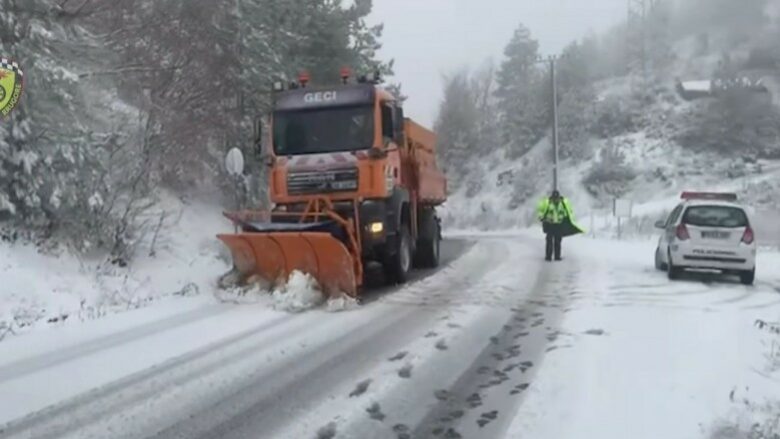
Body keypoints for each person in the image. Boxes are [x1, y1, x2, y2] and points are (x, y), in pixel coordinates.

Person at [536, 190, 583, 261]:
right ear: (552, 197)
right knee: (549, 241)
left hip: (559, 225)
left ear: (559, 197)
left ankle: (557, 257)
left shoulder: (562, 205)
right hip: (550, 225)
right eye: (554, 198)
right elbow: (540, 211)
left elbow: (568, 213)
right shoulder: (548, 204)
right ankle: (548, 256)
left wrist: (568, 219)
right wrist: (542, 217)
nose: (555, 199)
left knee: (558, 241)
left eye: (556, 198)